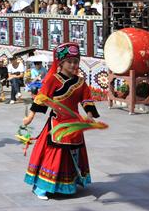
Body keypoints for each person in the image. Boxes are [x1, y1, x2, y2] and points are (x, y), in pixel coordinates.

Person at [21, 43, 100, 200]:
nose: (73, 65)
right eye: (69, 62)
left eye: (76, 62)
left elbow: (87, 100)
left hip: (74, 124)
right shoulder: (53, 80)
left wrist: (89, 115)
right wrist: (30, 117)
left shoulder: (80, 82)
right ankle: (41, 187)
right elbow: (41, 99)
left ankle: (68, 183)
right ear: (61, 63)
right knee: (53, 154)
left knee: (72, 154)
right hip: (57, 123)